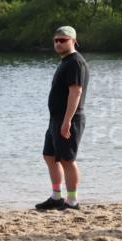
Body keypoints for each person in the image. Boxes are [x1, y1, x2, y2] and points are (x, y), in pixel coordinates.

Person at [36, 26, 89, 211]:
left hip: (70, 119)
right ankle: (56, 196)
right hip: (56, 119)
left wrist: (67, 121)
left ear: (73, 41)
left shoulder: (75, 62)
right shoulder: (65, 62)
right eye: (56, 40)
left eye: (63, 40)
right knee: (49, 156)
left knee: (67, 159)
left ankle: (72, 201)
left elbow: (76, 92)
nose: (58, 43)